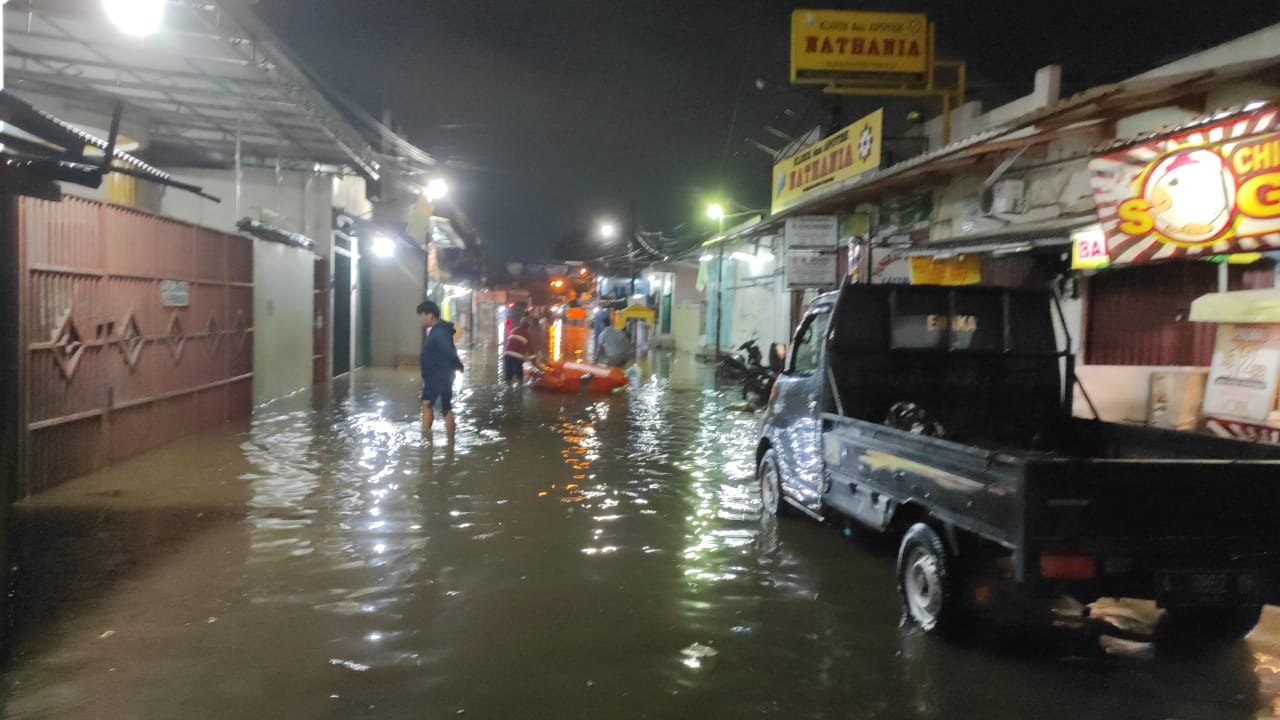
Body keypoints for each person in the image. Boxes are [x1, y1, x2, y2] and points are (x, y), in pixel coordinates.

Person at [417, 300, 464, 441]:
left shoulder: (439, 332)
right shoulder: (440, 330)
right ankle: (446, 442)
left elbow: (448, 352)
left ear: (430, 315)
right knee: (441, 406)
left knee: (432, 405)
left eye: (422, 315)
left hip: (439, 376)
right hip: (440, 375)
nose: (420, 319)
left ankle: (427, 438)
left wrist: (458, 365)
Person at [503, 317, 533, 384]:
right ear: (527, 326)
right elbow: (530, 349)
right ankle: (519, 389)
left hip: (507, 354)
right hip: (518, 356)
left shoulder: (513, 330)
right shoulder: (527, 334)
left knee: (508, 377)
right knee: (519, 376)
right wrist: (533, 360)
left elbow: (508, 342)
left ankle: (508, 390)